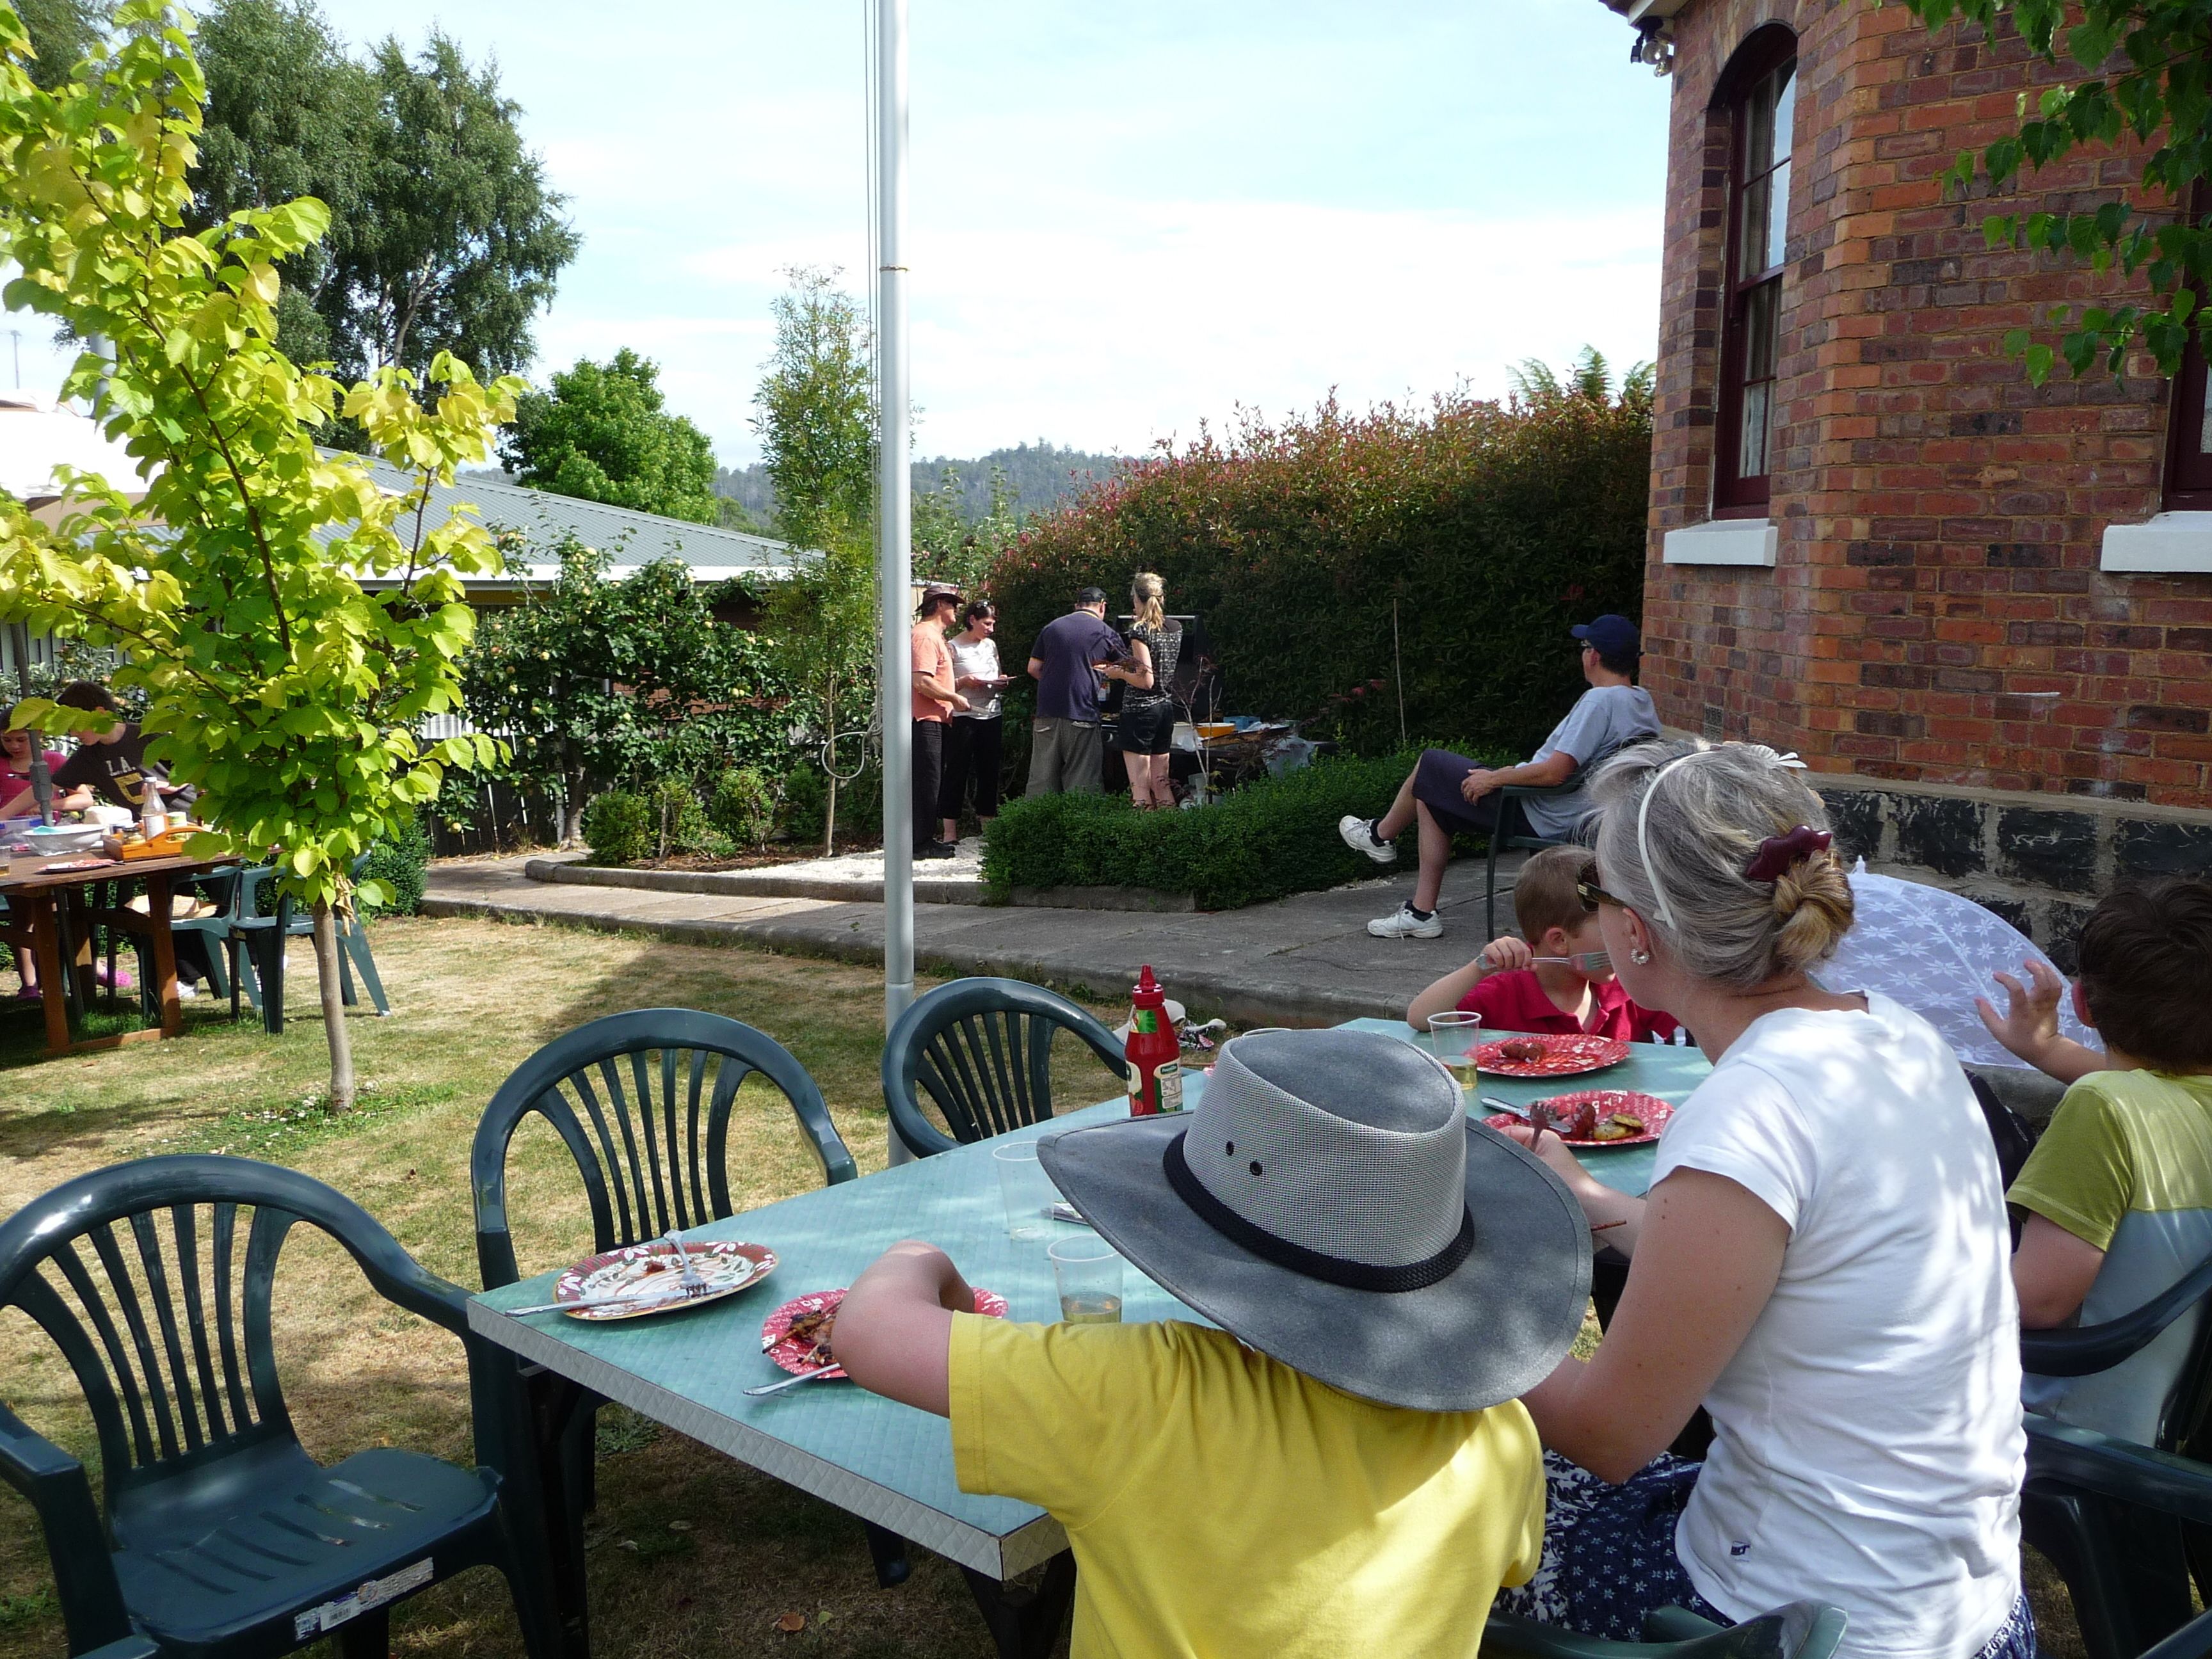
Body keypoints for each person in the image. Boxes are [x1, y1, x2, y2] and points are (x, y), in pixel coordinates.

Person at [1493, 739, 2030, 1659]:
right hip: (1959, 1605)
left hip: (1792, 1620)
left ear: (1638, 933)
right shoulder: (1894, 1036)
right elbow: (1793, 1269)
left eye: (1600, 895)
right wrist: (1587, 1193)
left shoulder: (1749, 1113)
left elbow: (1609, 1435)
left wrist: (1435, 1306)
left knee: (1483, 1488)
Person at [834, 1026, 1591, 1659]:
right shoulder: (1502, 1434)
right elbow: (1514, 1564)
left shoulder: (1144, 1396)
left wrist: (919, 1258)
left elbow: (868, 1333)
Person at [1981, 877, 2212, 1445]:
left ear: (2080, 1001)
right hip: (2171, 1429)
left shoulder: (2104, 1109)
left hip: (2065, 1430)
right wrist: (2043, 1050)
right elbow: (2156, 1094)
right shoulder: (2158, 1106)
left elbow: (2037, 1302)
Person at [1342, 614, 1660, 940]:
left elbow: (1555, 773)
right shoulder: (1640, 701)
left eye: (1584, 647)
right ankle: (1420, 912)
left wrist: (1495, 779)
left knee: (1431, 764)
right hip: (1569, 810)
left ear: (1593, 655)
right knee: (1432, 793)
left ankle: (1380, 836)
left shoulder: (1600, 700)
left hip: (1536, 810)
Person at [1406, 844, 1678, 1041]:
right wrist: (1479, 968)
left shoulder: (1628, 986)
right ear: (1559, 941)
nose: (1629, 938)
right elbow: (1420, 1018)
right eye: (1613, 930)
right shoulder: (1506, 992)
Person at [1025, 586, 1127, 796]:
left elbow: (1033, 669)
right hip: (1083, 714)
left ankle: (1037, 827)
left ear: (1076, 606)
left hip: (1047, 714)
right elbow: (1130, 670)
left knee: (1042, 783)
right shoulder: (1106, 633)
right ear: (1102, 606)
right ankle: (1078, 828)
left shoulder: (1052, 628)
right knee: (1083, 785)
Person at [47, 681, 193, 817]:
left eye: (76, 725)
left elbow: (196, 766)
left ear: (100, 713)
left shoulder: (147, 736)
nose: (73, 734)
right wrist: (33, 806)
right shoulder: (86, 757)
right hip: (147, 827)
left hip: (190, 819)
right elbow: (49, 787)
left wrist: (171, 785)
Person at [938, 600, 1009, 845]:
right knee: (957, 770)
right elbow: (943, 686)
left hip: (991, 712)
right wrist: (965, 681)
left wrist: (1000, 681)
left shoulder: (990, 645)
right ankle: (950, 832)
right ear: (972, 621)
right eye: (986, 624)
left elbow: (997, 671)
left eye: (993, 624)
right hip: (963, 715)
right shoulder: (953, 648)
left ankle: (987, 825)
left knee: (989, 770)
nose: (991, 629)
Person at [909, 586, 968, 860]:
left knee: (933, 781)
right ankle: (920, 844)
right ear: (941, 604)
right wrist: (953, 697)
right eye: (953, 604)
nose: (956, 610)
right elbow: (921, 681)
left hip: (935, 719)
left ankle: (925, 839)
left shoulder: (933, 637)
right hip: (925, 720)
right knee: (927, 782)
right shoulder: (924, 636)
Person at [1118, 571, 1182, 809]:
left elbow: (1146, 680)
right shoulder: (1176, 628)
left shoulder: (1139, 630)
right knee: (1161, 783)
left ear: (1138, 599)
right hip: (1165, 709)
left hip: (1140, 710)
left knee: (1140, 789)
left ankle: (1142, 842)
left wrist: (1117, 673)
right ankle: (1170, 834)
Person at [0, 709, 68, 821]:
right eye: (7, 740)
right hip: (8, 830)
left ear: (39, 733)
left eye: (21, 740)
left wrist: (47, 806)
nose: (14, 746)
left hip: (47, 829)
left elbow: (84, 798)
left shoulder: (55, 760)